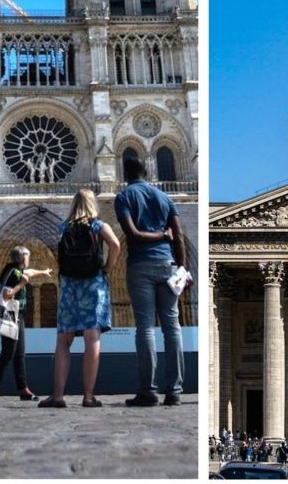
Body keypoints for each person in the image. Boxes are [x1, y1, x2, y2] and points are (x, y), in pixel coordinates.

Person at [114, 155, 188, 406]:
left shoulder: (124, 197)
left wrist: (157, 235)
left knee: (145, 327)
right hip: (167, 265)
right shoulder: (164, 197)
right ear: (147, 172)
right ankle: (175, 390)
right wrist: (183, 269)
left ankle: (147, 390)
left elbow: (132, 235)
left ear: (125, 174)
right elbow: (178, 236)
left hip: (140, 265)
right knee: (172, 327)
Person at [39, 190, 120, 408]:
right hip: (93, 284)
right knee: (91, 338)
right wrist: (108, 268)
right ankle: (88, 396)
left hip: (69, 286)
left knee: (63, 341)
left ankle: (57, 396)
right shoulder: (98, 226)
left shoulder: (63, 227)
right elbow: (115, 245)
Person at [0, 246, 52, 402]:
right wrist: (22, 284)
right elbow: (6, 294)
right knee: (8, 353)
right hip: (9, 314)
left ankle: (23, 389)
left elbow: (29, 273)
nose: (29, 260)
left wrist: (43, 272)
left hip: (18, 315)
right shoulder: (13, 273)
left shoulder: (16, 269)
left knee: (20, 354)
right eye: (28, 257)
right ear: (23, 258)